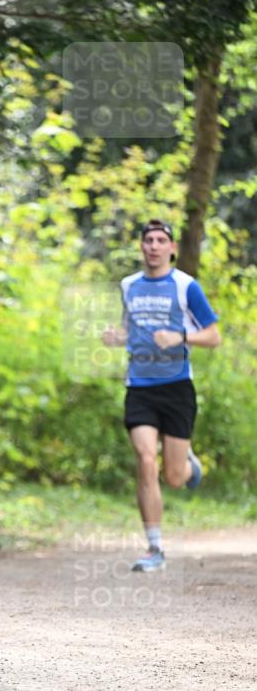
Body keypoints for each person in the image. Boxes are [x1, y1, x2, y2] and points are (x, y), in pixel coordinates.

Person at [102, 219, 221, 571]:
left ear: (171, 248)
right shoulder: (129, 286)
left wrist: (180, 337)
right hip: (139, 386)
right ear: (141, 247)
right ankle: (154, 547)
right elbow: (131, 329)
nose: (154, 246)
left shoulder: (186, 286)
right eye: (148, 240)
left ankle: (188, 466)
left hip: (177, 388)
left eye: (160, 240)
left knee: (174, 476)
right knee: (145, 459)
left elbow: (214, 336)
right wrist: (117, 336)